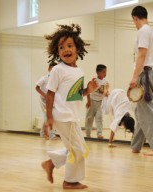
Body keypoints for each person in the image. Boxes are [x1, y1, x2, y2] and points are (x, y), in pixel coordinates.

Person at [41, 24, 98, 190]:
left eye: (69, 46)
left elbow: (77, 94)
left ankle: (51, 163)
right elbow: (50, 94)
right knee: (77, 149)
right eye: (61, 47)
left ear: (77, 48)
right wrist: (49, 117)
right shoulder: (57, 70)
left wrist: (89, 90)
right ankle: (69, 181)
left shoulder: (79, 71)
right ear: (57, 51)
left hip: (72, 116)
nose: (65, 50)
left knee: (77, 148)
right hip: (62, 116)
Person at [129, 5, 153, 156]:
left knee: (148, 111)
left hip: (145, 74)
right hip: (149, 74)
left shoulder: (143, 31)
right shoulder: (151, 31)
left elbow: (142, 55)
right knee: (141, 110)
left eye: (133, 20)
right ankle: (136, 145)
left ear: (135, 18)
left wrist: (134, 77)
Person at [85, 64, 108, 139]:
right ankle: (88, 134)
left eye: (106, 72)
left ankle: (99, 133)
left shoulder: (105, 81)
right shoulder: (94, 81)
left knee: (99, 118)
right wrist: (88, 101)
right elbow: (88, 91)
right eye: (103, 72)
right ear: (98, 72)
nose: (105, 74)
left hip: (100, 102)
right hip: (92, 101)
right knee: (89, 118)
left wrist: (107, 93)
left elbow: (106, 91)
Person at [35, 62, 57, 140]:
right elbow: (37, 87)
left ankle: (44, 133)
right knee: (47, 116)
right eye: (52, 69)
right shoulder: (44, 78)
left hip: (52, 100)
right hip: (44, 100)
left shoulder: (56, 79)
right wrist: (44, 95)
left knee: (52, 115)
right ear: (48, 69)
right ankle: (50, 134)